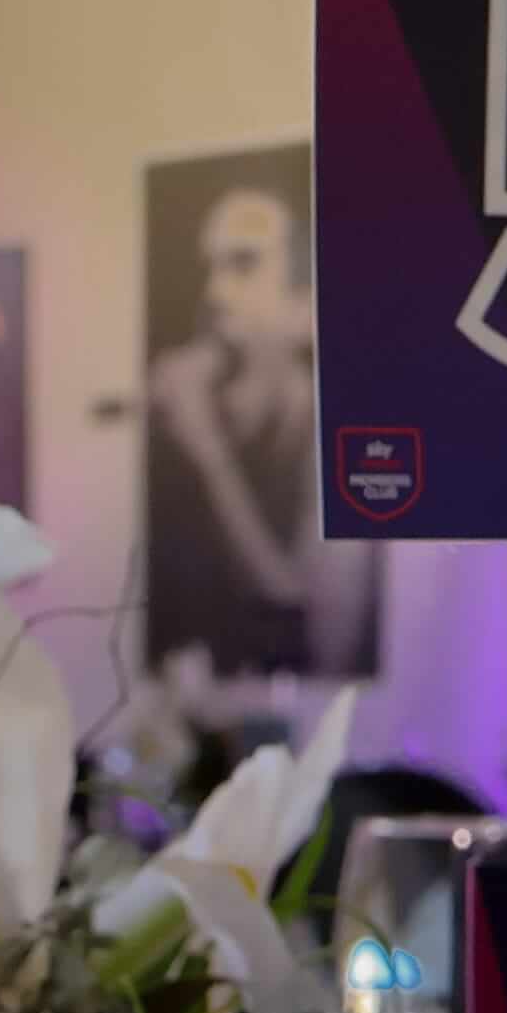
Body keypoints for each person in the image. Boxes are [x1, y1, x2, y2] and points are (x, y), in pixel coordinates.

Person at [146, 182, 376, 678]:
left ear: (306, 307)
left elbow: (314, 628)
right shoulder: (189, 410)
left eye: (244, 265)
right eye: (210, 267)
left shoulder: (336, 435)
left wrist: (210, 455)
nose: (214, 292)